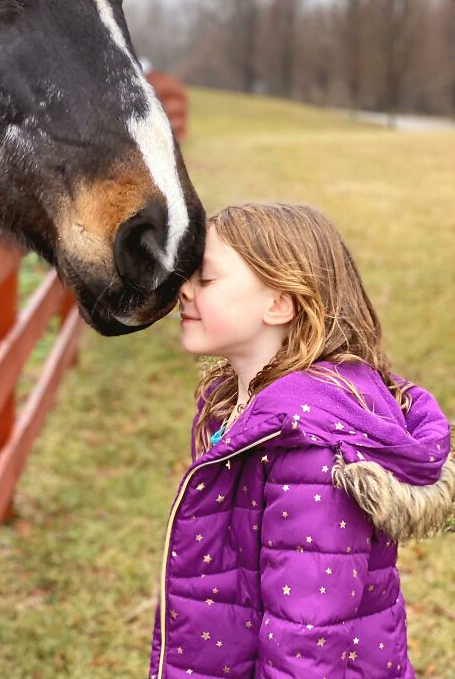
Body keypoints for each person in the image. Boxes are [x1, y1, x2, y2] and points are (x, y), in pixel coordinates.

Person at [148, 203, 454, 679]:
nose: (183, 290)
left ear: (280, 304)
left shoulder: (310, 447)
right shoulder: (246, 411)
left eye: (205, 280)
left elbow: (309, 634)